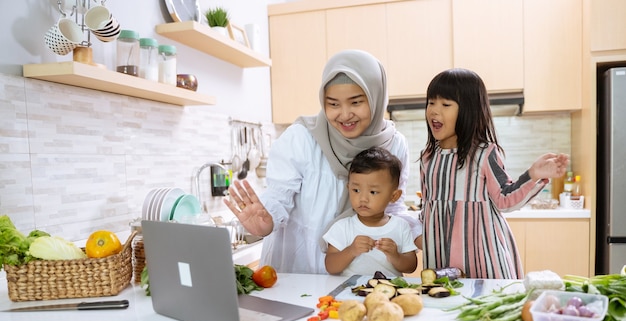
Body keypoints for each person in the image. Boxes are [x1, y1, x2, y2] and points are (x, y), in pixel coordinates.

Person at [224, 49, 421, 274]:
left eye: (355, 102)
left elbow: (393, 205)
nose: (345, 115)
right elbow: (278, 196)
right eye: (333, 104)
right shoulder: (301, 137)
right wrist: (265, 222)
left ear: (376, 96)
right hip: (299, 269)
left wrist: (420, 235)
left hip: (359, 277)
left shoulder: (394, 144)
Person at [417, 68, 569, 279]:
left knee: (486, 307)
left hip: (484, 258)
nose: (434, 110)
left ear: (468, 110)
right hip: (441, 259)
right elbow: (427, 206)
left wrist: (533, 174)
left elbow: (505, 199)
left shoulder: (484, 153)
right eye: (431, 102)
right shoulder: (427, 158)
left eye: (445, 104)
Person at [323, 147, 418, 277]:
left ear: (394, 196)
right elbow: (330, 267)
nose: (363, 199)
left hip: (388, 293)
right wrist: (351, 251)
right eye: (356, 190)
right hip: (350, 293)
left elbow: (411, 267)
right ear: (348, 188)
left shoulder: (401, 226)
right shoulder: (342, 227)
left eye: (373, 192)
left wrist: (395, 256)